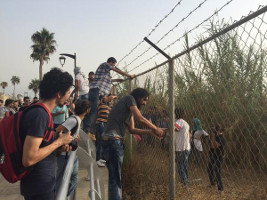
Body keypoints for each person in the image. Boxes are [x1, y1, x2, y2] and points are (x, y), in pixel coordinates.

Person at [20, 68, 74, 200]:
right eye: (68, 92)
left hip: (40, 185)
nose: (69, 96)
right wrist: (59, 142)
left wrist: (57, 147)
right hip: (39, 188)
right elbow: (29, 158)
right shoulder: (40, 115)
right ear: (59, 94)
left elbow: (39, 148)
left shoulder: (42, 112)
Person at [102, 88, 165, 200]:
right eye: (144, 99)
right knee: (115, 178)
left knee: (114, 177)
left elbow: (132, 129)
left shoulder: (128, 109)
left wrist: (151, 131)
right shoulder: (129, 99)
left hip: (112, 141)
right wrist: (156, 128)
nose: (145, 103)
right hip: (114, 141)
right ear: (138, 96)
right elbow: (140, 118)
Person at [84, 57, 134, 140]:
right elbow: (116, 70)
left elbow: (109, 80)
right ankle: (88, 131)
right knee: (93, 111)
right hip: (96, 90)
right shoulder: (105, 64)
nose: (114, 66)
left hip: (98, 92)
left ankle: (89, 131)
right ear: (111, 62)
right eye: (114, 64)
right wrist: (128, 75)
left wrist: (117, 80)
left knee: (93, 110)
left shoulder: (105, 73)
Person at [55, 100, 91, 197]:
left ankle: (66, 197)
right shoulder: (73, 120)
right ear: (87, 110)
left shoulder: (78, 120)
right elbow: (57, 131)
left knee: (74, 178)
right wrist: (63, 142)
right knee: (61, 180)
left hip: (72, 155)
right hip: (64, 155)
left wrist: (75, 137)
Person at [95, 95, 116, 167]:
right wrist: (112, 97)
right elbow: (106, 100)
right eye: (104, 97)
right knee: (100, 141)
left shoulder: (108, 107)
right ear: (101, 99)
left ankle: (99, 157)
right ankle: (97, 159)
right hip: (101, 123)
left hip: (105, 125)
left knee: (103, 141)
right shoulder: (101, 104)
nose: (106, 98)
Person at [207, 124, 226, 193]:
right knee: (209, 168)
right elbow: (210, 145)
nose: (213, 131)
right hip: (213, 155)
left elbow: (214, 146)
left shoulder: (222, 138)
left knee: (217, 170)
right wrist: (212, 137)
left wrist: (213, 136)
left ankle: (221, 189)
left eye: (214, 130)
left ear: (218, 131)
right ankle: (212, 183)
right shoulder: (214, 137)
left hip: (219, 157)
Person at [174, 108, 191, 186]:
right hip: (187, 147)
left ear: (175, 114)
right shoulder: (186, 123)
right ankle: (186, 181)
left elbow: (175, 129)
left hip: (181, 148)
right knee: (185, 166)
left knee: (180, 168)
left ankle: (185, 183)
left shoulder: (178, 122)